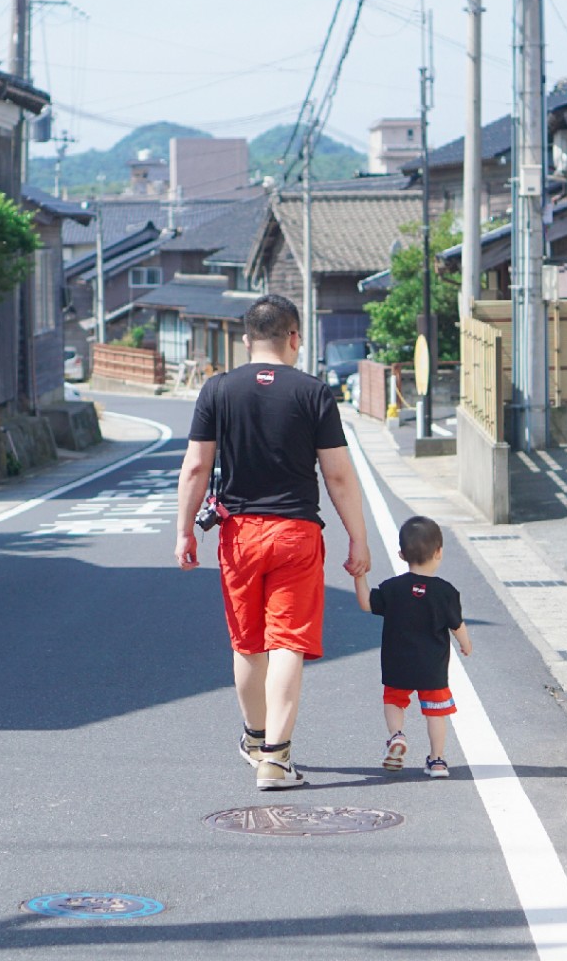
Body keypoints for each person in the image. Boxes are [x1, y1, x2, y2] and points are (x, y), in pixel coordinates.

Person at [176, 294, 371, 790]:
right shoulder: (314, 392)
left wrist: (182, 531)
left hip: (239, 535)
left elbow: (197, 466)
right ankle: (277, 758)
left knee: (248, 643)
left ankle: (254, 737)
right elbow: (339, 476)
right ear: (295, 338)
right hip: (295, 534)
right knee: (288, 642)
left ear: (246, 341)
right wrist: (359, 538)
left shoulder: (218, 389)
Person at [354, 516, 471, 778]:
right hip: (432, 669)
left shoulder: (392, 588)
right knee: (435, 713)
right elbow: (457, 625)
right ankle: (437, 760)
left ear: (401, 554)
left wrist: (360, 575)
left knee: (394, 701)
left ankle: (397, 735)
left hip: (398, 664)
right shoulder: (445, 591)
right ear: (439, 552)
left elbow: (366, 603)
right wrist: (466, 644)